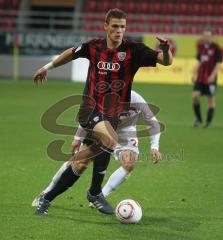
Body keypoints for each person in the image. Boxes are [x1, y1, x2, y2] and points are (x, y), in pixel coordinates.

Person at [33, 8, 172, 215]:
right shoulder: (93, 46)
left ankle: (46, 198)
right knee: (109, 139)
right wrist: (46, 67)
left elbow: (165, 61)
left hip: (112, 117)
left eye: (122, 27)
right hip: (89, 109)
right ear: (106, 26)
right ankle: (96, 193)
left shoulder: (134, 50)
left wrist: (166, 49)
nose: (119, 31)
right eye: (115, 26)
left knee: (80, 163)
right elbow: (71, 54)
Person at [32, 90, 162, 207]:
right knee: (78, 164)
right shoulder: (104, 97)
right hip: (101, 129)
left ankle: (100, 197)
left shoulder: (136, 99)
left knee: (129, 163)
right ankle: (46, 192)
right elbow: (88, 117)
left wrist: (154, 147)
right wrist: (77, 139)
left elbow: (153, 123)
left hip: (125, 133)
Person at [192, 30, 222, 128]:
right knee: (195, 96)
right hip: (200, 78)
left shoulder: (217, 48)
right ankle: (199, 119)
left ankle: (208, 122)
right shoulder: (200, 47)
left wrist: (212, 76)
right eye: (205, 36)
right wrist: (194, 73)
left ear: (212, 37)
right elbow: (200, 61)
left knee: (211, 100)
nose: (206, 38)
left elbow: (218, 64)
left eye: (208, 36)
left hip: (210, 79)